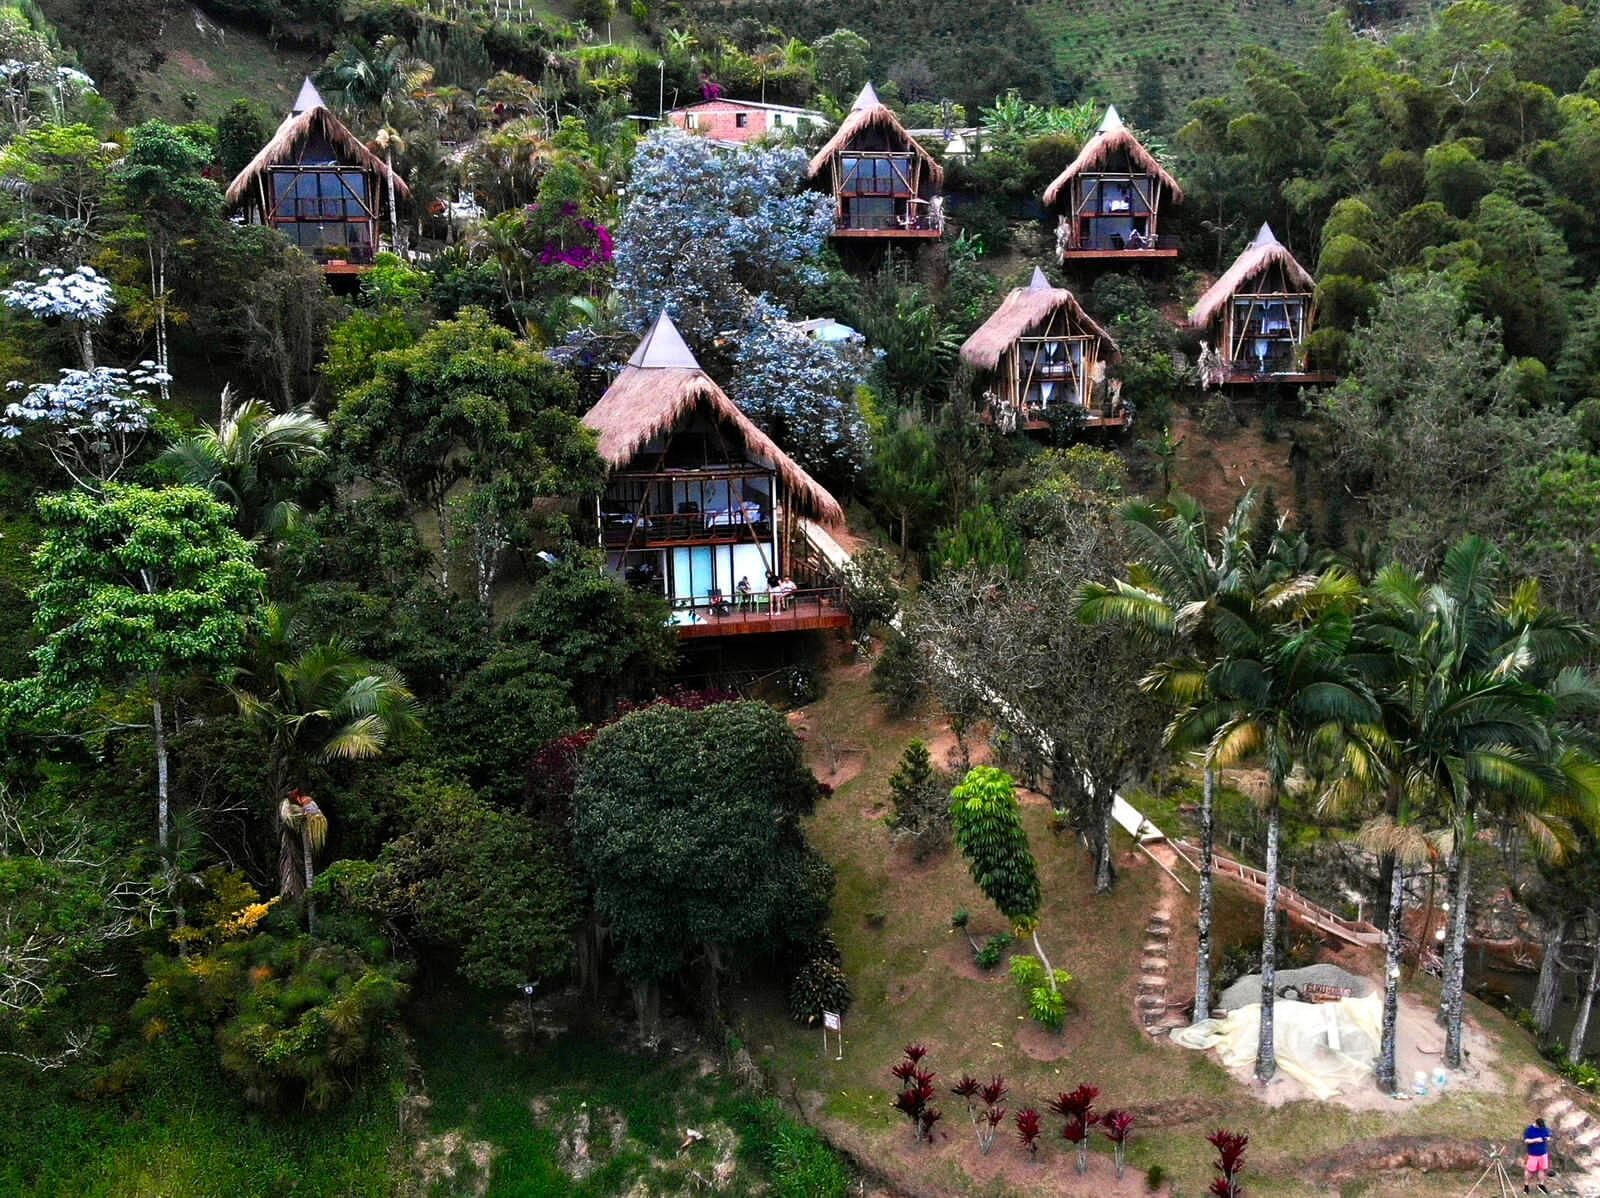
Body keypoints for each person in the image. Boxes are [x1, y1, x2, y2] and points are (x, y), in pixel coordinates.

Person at [1524, 1116, 1552, 1193]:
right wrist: (1535, 1140)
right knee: (1529, 1171)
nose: (1541, 1128)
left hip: (1543, 1154)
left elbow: (1548, 1136)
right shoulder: (1529, 1130)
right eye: (1539, 1127)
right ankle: (1526, 1185)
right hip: (1533, 1154)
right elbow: (1526, 1140)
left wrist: (1547, 1138)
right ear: (1536, 1124)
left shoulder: (1543, 1127)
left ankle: (1541, 1185)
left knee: (1542, 1169)